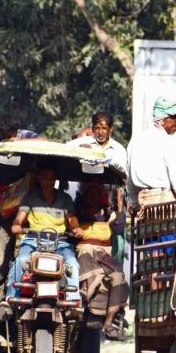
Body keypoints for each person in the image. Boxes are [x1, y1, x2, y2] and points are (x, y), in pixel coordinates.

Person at [4, 167, 84, 307]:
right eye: (44, 178)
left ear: (55, 180)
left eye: (51, 178)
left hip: (60, 242)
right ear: (39, 179)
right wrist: (16, 225)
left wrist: (76, 228)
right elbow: (19, 218)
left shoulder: (65, 198)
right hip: (33, 240)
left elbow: (72, 219)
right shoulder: (29, 197)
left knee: (72, 263)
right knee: (21, 260)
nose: (48, 181)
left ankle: (72, 302)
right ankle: (12, 299)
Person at [70, 111, 128, 262]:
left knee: (117, 236)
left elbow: (123, 176)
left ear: (111, 129)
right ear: (92, 128)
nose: (101, 132)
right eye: (97, 128)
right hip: (86, 195)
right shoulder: (83, 143)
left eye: (104, 128)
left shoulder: (118, 150)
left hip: (111, 199)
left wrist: (119, 202)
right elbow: (65, 150)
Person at [75, 181, 129, 339]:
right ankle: (85, 293)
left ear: (102, 197)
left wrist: (120, 205)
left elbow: (119, 228)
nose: (93, 198)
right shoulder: (78, 214)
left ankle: (109, 324)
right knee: (85, 251)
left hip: (103, 255)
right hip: (84, 254)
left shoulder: (108, 215)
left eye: (96, 194)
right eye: (89, 194)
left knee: (118, 276)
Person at [127, 96, 176, 211]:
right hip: (163, 205)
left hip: (142, 205)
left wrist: (133, 203)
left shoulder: (136, 140)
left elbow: (129, 178)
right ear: (164, 120)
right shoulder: (167, 142)